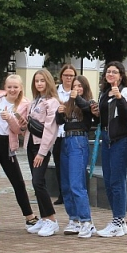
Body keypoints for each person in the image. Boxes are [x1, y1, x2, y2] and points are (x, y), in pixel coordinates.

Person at [0, 74, 38, 234]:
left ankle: (30, 216)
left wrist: (10, 118)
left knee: (18, 181)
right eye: (9, 86)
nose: (12, 90)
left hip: (8, 145)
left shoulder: (25, 104)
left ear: (21, 88)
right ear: (5, 87)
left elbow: (19, 130)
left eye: (15, 87)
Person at [91, 61, 127, 238]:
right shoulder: (104, 93)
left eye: (114, 72)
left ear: (121, 75)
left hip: (122, 139)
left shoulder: (124, 92)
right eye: (108, 72)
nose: (110, 74)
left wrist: (119, 98)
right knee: (108, 181)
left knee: (117, 180)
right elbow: (103, 119)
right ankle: (119, 220)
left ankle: (118, 219)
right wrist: (96, 114)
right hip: (107, 138)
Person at [56, 75, 98, 237]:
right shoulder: (68, 104)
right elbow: (60, 122)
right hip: (66, 140)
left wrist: (77, 97)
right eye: (75, 86)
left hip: (79, 141)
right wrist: (59, 112)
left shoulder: (89, 103)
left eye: (80, 86)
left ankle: (86, 221)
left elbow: (88, 109)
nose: (77, 88)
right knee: (66, 184)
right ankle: (73, 219)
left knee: (76, 183)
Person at [25, 69, 61, 237]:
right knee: (36, 183)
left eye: (42, 81)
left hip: (41, 146)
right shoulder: (35, 101)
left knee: (38, 181)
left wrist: (42, 152)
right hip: (30, 144)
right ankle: (44, 217)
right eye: (36, 81)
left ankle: (52, 219)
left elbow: (50, 129)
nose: (39, 83)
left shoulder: (52, 102)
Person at [53, 64, 78, 205]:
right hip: (58, 134)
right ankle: (62, 193)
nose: (68, 78)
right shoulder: (56, 92)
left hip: (73, 133)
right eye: (66, 75)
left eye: (71, 75)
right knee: (59, 165)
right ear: (61, 76)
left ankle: (72, 193)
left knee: (72, 166)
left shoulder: (77, 91)